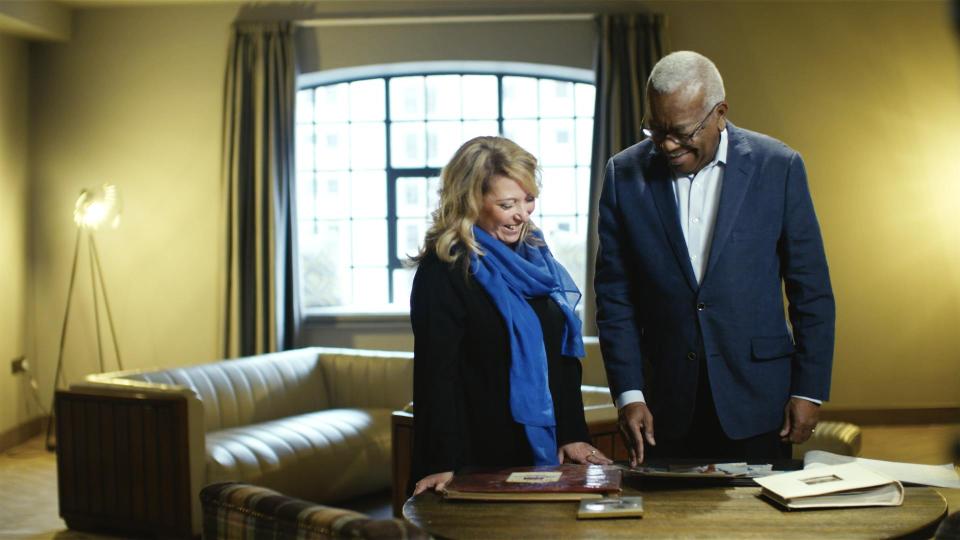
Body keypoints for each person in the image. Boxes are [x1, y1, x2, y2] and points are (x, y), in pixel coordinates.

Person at [595, 51, 835, 466]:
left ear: (720, 113)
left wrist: (808, 390)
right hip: (662, 409)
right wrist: (629, 394)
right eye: (656, 129)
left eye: (681, 132)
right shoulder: (623, 174)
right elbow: (615, 298)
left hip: (761, 404)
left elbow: (810, 291)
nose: (667, 145)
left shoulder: (779, 167)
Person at [410, 136, 612, 494]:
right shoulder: (444, 271)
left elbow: (561, 358)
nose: (523, 214)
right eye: (508, 203)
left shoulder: (535, 255)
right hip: (476, 457)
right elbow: (437, 377)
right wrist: (443, 462)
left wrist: (572, 435)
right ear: (471, 202)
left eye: (528, 199)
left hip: (541, 456)